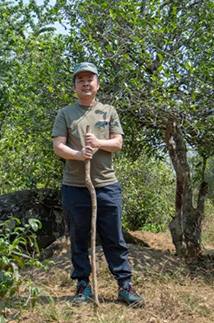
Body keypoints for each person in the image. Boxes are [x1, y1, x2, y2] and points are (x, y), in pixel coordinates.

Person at [52, 62, 145, 307]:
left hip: (107, 185)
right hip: (74, 186)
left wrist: (98, 143)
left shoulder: (108, 111)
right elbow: (58, 146)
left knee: (114, 237)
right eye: (80, 79)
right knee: (79, 238)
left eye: (89, 79)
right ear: (74, 86)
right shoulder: (65, 113)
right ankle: (83, 285)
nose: (85, 83)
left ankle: (125, 285)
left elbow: (118, 143)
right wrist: (80, 154)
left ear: (97, 84)